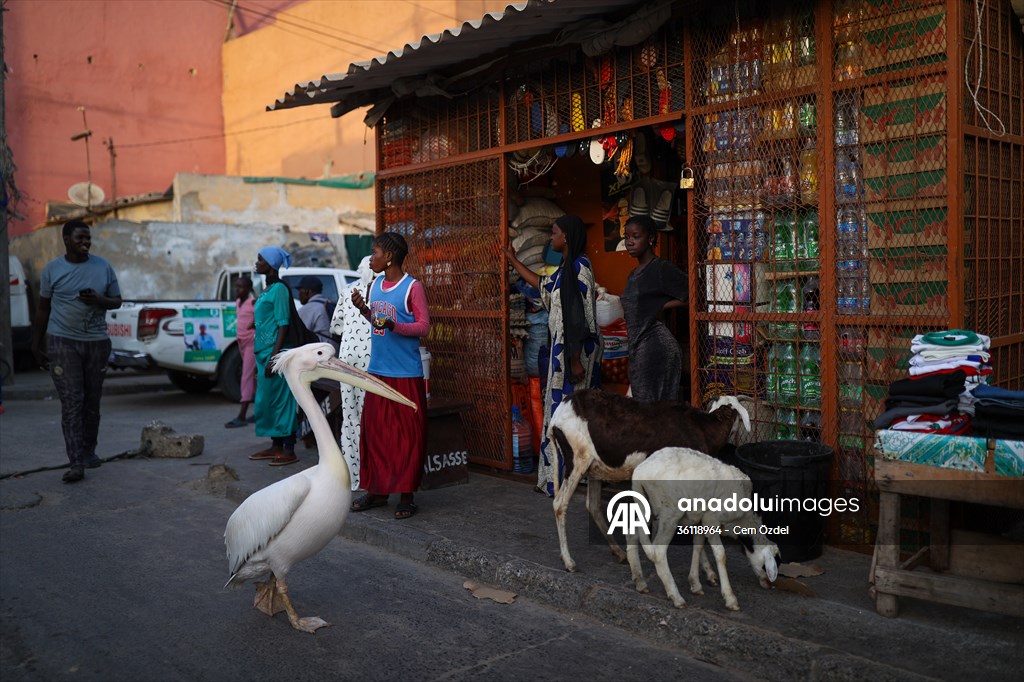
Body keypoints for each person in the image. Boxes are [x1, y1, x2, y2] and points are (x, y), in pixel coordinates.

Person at [504, 214, 601, 496]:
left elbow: (577, 315)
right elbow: (542, 285)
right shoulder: (566, 268)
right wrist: (512, 260)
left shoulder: (579, 268)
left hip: (575, 354)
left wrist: (574, 359)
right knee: (564, 413)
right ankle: (559, 477)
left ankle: (564, 478)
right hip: (565, 352)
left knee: (569, 415)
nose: (551, 237)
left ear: (566, 237)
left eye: (555, 232)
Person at [31, 219, 123, 483]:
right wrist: (35, 343)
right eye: (80, 238)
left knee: (91, 402)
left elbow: (117, 301)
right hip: (63, 342)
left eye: (88, 238)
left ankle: (88, 452)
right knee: (73, 402)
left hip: (96, 342)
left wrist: (99, 300)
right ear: (66, 240)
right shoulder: (52, 270)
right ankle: (76, 463)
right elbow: (43, 308)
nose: (85, 242)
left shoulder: (103, 267)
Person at [348, 232, 429, 519]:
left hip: (406, 375)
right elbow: (377, 321)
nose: (372, 258)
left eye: (376, 252)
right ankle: (377, 492)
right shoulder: (375, 286)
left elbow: (423, 327)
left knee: (407, 438)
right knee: (376, 435)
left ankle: (406, 496)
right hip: (378, 372)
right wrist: (363, 309)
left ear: (390, 257)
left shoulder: (412, 288)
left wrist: (394, 325)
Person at [621, 215, 689, 402]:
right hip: (639, 347)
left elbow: (694, 294)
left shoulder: (660, 269)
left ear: (650, 238)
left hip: (656, 347)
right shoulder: (633, 274)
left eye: (636, 236)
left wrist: (662, 306)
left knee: (653, 409)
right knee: (646, 407)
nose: (630, 242)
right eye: (627, 237)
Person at [247, 246, 300, 467]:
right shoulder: (267, 289)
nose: (257, 263)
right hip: (263, 352)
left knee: (282, 401)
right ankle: (276, 445)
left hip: (274, 353)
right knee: (266, 401)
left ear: (270, 264)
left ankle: (289, 448)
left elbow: (283, 323)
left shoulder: (279, 289)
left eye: (260, 259)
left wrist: (275, 357)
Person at [329, 256, 374, 491]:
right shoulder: (385, 292)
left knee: (351, 417)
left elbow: (336, 327)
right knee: (373, 418)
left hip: (348, 360)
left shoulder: (348, 290)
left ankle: (354, 476)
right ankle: (373, 475)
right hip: (374, 361)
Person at [225, 276, 256, 428]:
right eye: (236, 286)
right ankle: (259, 412)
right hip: (241, 342)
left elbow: (263, 318)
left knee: (246, 377)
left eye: (241, 287)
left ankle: (242, 415)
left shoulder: (253, 302)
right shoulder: (238, 302)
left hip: (251, 343)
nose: (237, 289)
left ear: (248, 289)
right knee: (253, 378)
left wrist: (254, 325)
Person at [297, 275, 337, 352]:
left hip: (322, 352)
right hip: (336, 349)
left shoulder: (308, 309)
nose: (299, 295)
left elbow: (299, 335)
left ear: (307, 291)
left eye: (300, 291)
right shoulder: (329, 303)